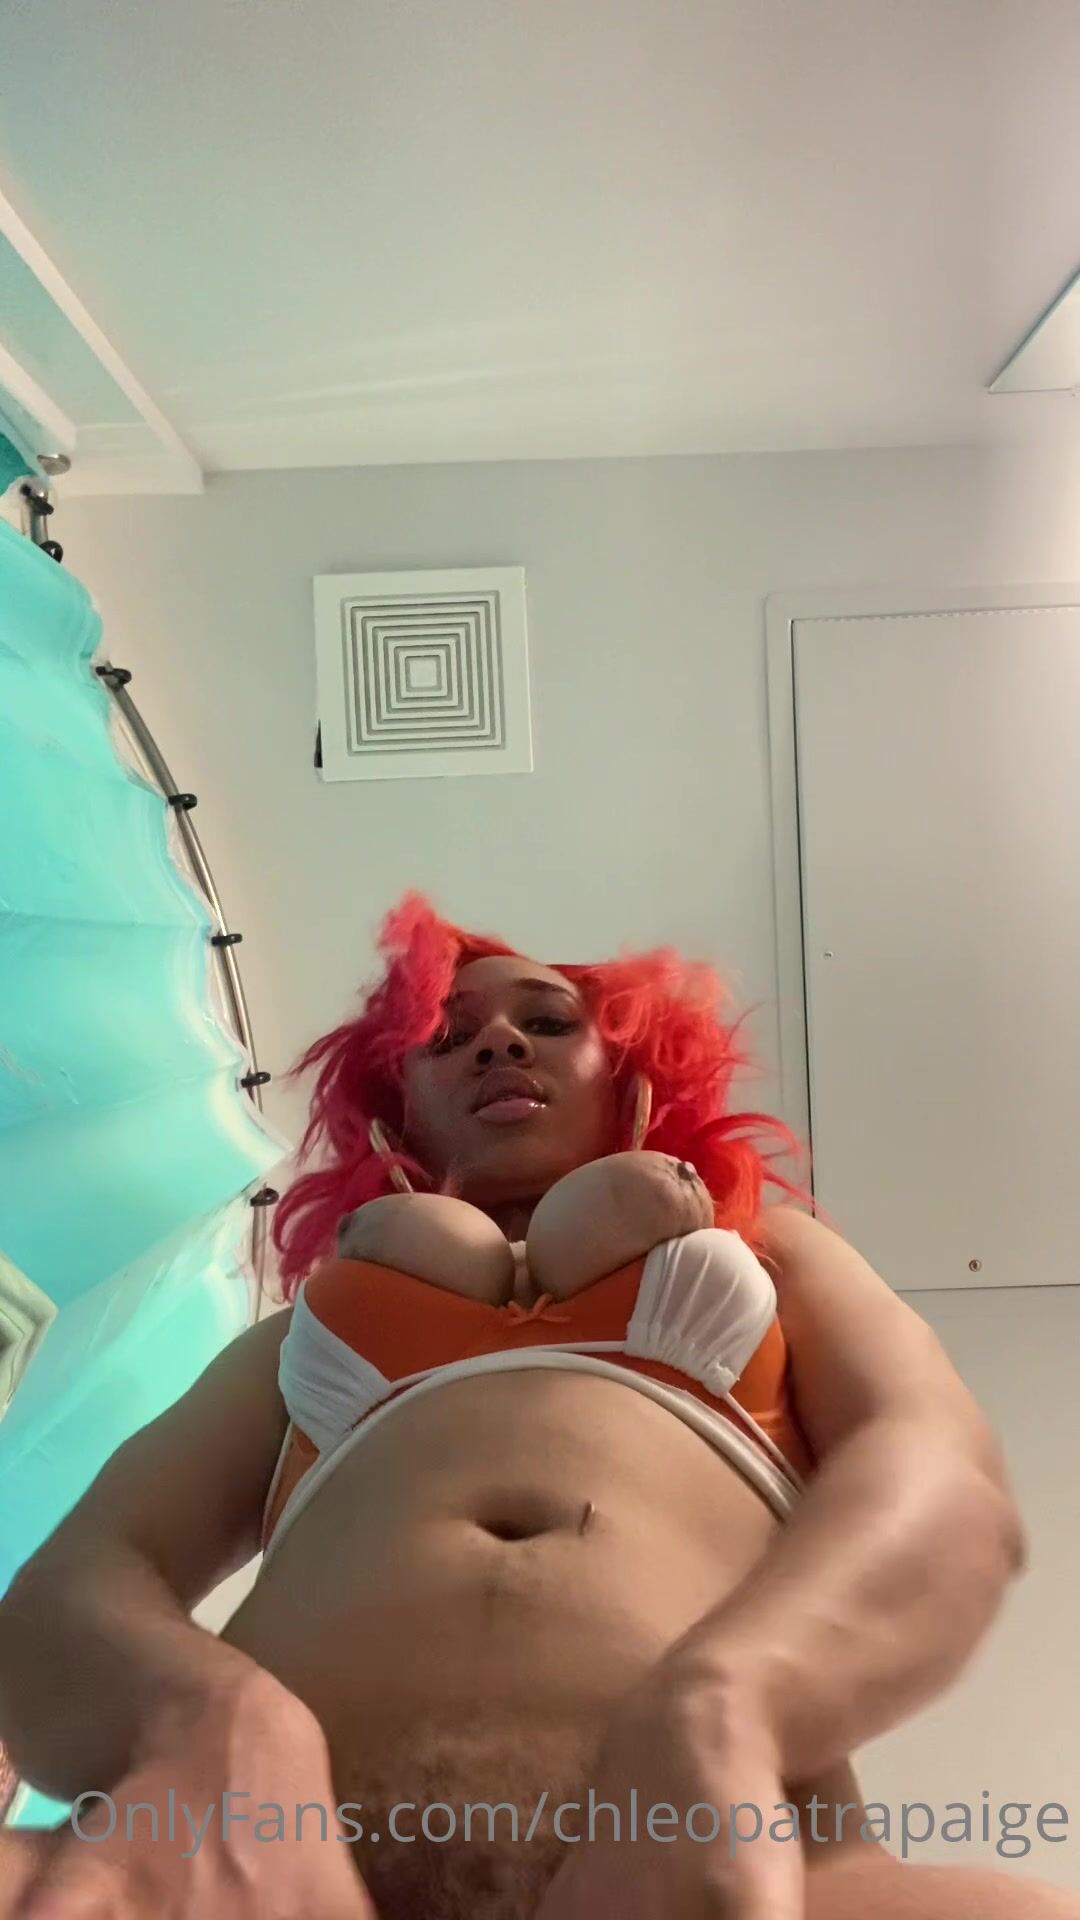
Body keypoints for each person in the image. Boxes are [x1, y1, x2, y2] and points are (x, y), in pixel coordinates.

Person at [0, 892, 1075, 1920]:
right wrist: (207, 1719)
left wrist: (725, 1706)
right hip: (248, 1877)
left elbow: (945, 1481)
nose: (499, 1043)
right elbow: (77, 1579)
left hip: (753, 1880)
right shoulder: (303, 1335)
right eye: (446, 1036)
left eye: (549, 1022)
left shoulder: (773, 1255)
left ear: (635, 1081)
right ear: (395, 1111)